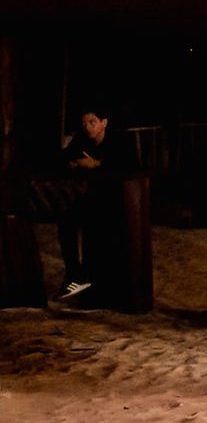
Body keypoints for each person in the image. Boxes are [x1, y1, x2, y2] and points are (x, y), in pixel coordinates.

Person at [57, 104, 140, 296]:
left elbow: (130, 165)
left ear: (104, 123)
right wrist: (70, 164)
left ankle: (101, 282)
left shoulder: (119, 140)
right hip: (93, 199)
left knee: (101, 232)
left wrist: (97, 164)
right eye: (84, 123)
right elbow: (64, 157)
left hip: (119, 201)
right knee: (66, 221)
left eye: (92, 122)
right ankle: (74, 275)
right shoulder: (81, 140)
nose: (87, 127)